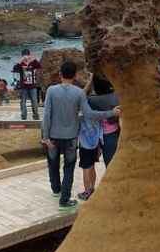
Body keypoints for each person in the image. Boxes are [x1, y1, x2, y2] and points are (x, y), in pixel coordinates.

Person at [41, 61, 120, 211]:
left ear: (60, 74)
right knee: (69, 168)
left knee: (53, 163)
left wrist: (45, 137)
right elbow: (89, 114)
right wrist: (111, 113)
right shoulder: (78, 93)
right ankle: (64, 200)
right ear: (75, 75)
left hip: (53, 135)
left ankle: (56, 190)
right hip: (71, 137)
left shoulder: (51, 90)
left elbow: (47, 115)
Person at [87, 74, 120, 167]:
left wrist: (89, 83)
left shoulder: (92, 100)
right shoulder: (116, 96)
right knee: (112, 163)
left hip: (98, 135)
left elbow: (81, 97)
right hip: (113, 133)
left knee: (108, 163)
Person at [12, 49, 41, 120]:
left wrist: (33, 59)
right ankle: (24, 116)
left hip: (32, 86)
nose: (26, 58)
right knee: (23, 102)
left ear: (29, 55)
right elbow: (14, 69)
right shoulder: (21, 64)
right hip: (23, 86)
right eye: (24, 56)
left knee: (34, 101)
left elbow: (39, 66)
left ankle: (36, 115)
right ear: (22, 56)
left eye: (27, 56)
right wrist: (20, 61)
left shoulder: (32, 63)